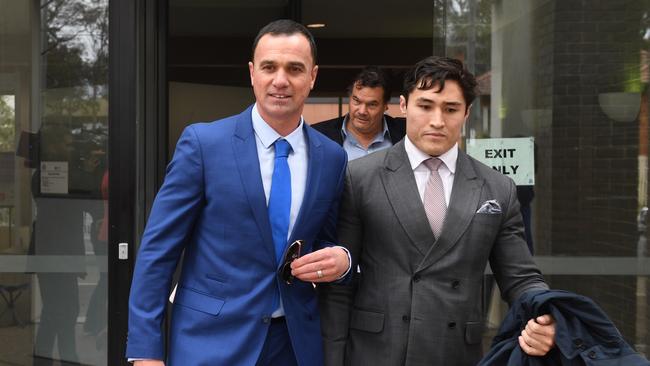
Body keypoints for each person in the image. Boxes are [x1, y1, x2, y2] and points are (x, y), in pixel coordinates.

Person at [126, 19, 350, 366]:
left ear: (313, 76)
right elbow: (158, 253)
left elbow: (323, 241)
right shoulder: (203, 144)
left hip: (294, 345)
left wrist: (342, 260)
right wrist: (145, 353)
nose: (280, 80)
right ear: (252, 73)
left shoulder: (332, 157)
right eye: (269, 67)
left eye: (294, 68)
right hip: (210, 343)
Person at [319, 56, 556, 366]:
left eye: (451, 109)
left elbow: (520, 277)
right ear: (403, 106)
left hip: (455, 352)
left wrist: (543, 313)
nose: (437, 120)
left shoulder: (497, 187)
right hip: (375, 352)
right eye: (425, 105)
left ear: (467, 112)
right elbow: (340, 284)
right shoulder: (359, 177)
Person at [311, 66, 405, 160]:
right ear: (349, 98)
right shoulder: (318, 135)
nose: (362, 111)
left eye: (372, 104)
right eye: (357, 101)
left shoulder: (405, 131)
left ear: (385, 106)